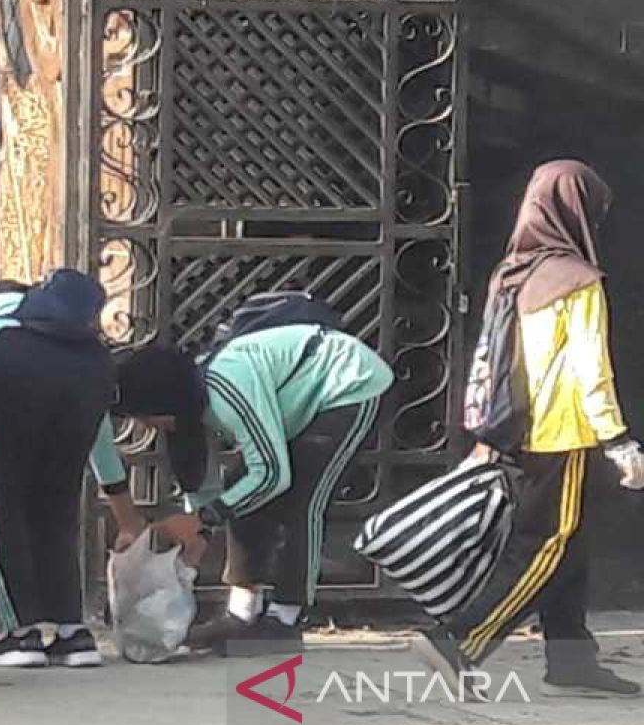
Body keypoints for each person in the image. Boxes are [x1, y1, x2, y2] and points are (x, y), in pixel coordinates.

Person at [412, 160, 644, 696]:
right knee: (545, 546)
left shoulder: (511, 274)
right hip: (563, 433)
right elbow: (591, 366)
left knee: (572, 543)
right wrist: (616, 438)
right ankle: (458, 640)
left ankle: (571, 659)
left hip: (516, 429)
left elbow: (493, 357)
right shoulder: (578, 281)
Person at [108, 323, 392, 656]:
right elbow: (205, 485)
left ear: (164, 403)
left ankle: (285, 620)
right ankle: (242, 614)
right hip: (300, 402)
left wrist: (203, 519)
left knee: (302, 500)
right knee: (240, 490)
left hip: (351, 384)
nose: (147, 426)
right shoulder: (189, 408)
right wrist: (196, 533)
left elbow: (272, 474)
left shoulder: (226, 389)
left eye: (146, 417)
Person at [0, 274, 144, 669]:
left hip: (9, 363)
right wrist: (125, 510)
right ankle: (74, 636)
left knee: (6, 503)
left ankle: (18, 634)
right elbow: (101, 439)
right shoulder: (82, 339)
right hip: (89, 371)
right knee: (58, 507)